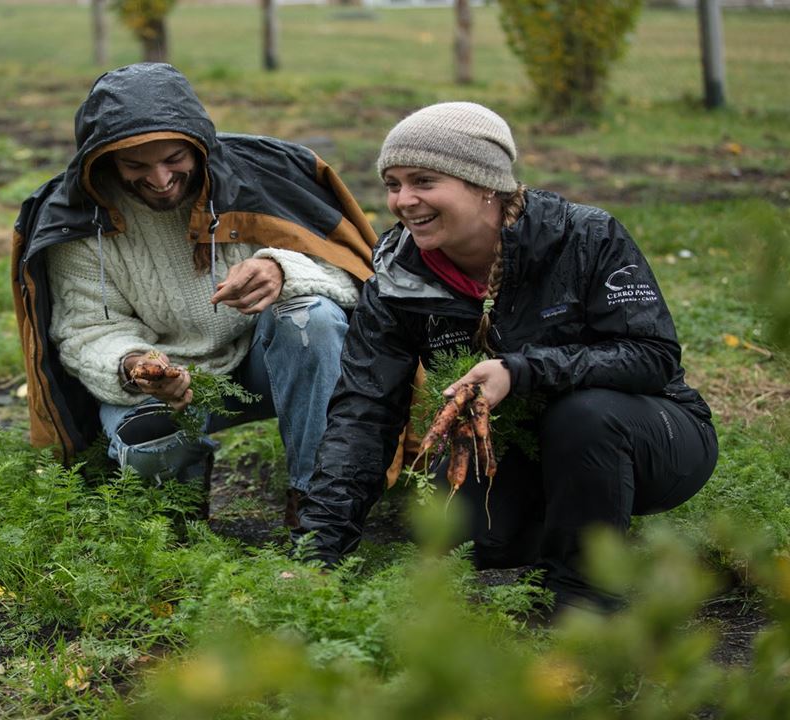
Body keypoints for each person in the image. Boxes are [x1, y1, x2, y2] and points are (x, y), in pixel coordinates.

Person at [295, 102, 717, 612]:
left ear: (484, 184)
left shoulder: (584, 237)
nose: (403, 201)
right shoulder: (397, 274)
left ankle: (586, 595)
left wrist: (522, 370)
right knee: (467, 538)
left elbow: (652, 357)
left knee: (584, 417)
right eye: (393, 183)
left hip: (653, 435)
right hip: (514, 448)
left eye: (424, 181)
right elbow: (364, 410)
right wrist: (318, 552)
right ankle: (582, 525)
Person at [11, 63, 388, 523]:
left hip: (265, 364)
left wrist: (281, 269)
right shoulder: (81, 220)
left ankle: (316, 502)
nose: (160, 178)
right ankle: (186, 492)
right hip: (169, 386)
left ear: (199, 146)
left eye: (174, 159)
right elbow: (86, 329)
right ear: (104, 160)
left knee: (313, 318)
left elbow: (351, 274)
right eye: (136, 165)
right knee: (149, 451)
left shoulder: (257, 181)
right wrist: (135, 366)